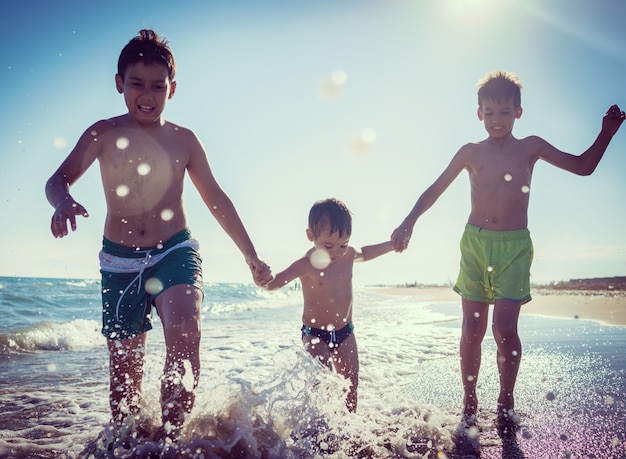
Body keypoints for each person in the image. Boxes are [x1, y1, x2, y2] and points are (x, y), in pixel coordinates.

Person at [45, 29, 271, 439]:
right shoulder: (103, 133)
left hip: (175, 250)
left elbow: (216, 198)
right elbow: (57, 180)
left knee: (186, 328)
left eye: (157, 86)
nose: (147, 95)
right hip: (119, 261)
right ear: (119, 84)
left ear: (173, 89)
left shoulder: (183, 140)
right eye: (136, 84)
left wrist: (250, 255)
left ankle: (170, 439)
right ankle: (130, 443)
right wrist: (61, 202)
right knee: (124, 382)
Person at [390, 71, 625, 426]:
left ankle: (506, 395)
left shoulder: (530, 147)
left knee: (504, 328)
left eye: (503, 111)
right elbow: (435, 189)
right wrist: (409, 221)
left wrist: (606, 134)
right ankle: (469, 398)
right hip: (475, 244)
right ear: (478, 114)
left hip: (515, 248)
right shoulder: (470, 152)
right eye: (488, 112)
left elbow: (583, 166)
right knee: (471, 328)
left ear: (518, 111)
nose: (495, 120)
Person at [264, 198, 393, 412]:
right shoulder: (305, 264)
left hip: (345, 332)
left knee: (350, 386)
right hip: (315, 334)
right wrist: (263, 278)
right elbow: (275, 282)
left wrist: (390, 245)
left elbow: (366, 253)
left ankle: (350, 429)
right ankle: (319, 431)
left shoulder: (349, 255)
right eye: (329, 246)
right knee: (321, 387)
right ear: (311, 236)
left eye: (343, 245)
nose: (336, 252)